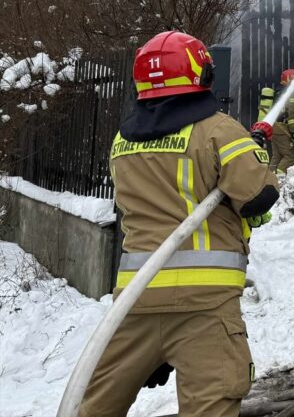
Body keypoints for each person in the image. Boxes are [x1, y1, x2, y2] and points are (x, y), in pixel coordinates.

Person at [81, 31, 279, 417]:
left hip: (135, 303)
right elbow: (257, 196)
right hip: (204, 306)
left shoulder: (123, 141)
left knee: (93, 406)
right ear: (200, 74)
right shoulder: (218, 130)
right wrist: (254, 153)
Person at [257, 69, 294, 172]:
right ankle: (279, 179)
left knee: (277, 156)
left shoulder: (277, 92)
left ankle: (269, 178)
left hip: (272, 128)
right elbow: (291, 117)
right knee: (291, 156)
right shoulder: (292, 95)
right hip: (282, 130)